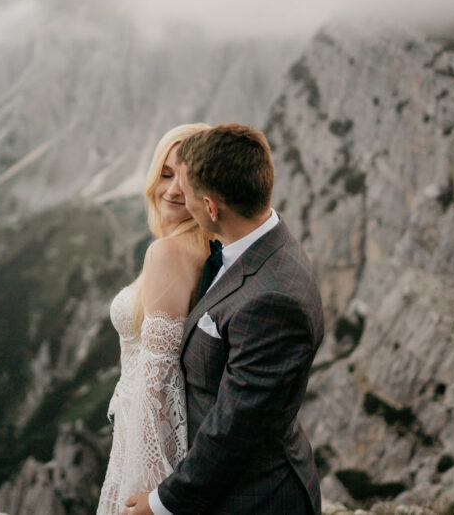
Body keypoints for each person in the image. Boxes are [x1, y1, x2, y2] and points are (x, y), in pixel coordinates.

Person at [125, 123, 325, 515]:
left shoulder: (272, 300)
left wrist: (163, 502)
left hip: (255, 498)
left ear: (212, 207)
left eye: (189, 195)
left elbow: (235, 428)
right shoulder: (259, 245)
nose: (179, 198)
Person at [96, 123, 213, 515]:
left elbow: (158, 381)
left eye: (188, 178)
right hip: (146, 433)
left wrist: (152, 489)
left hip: (147, 446)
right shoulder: (200, 248)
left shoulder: (168, 252)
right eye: (165, 174)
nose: (173, 189)